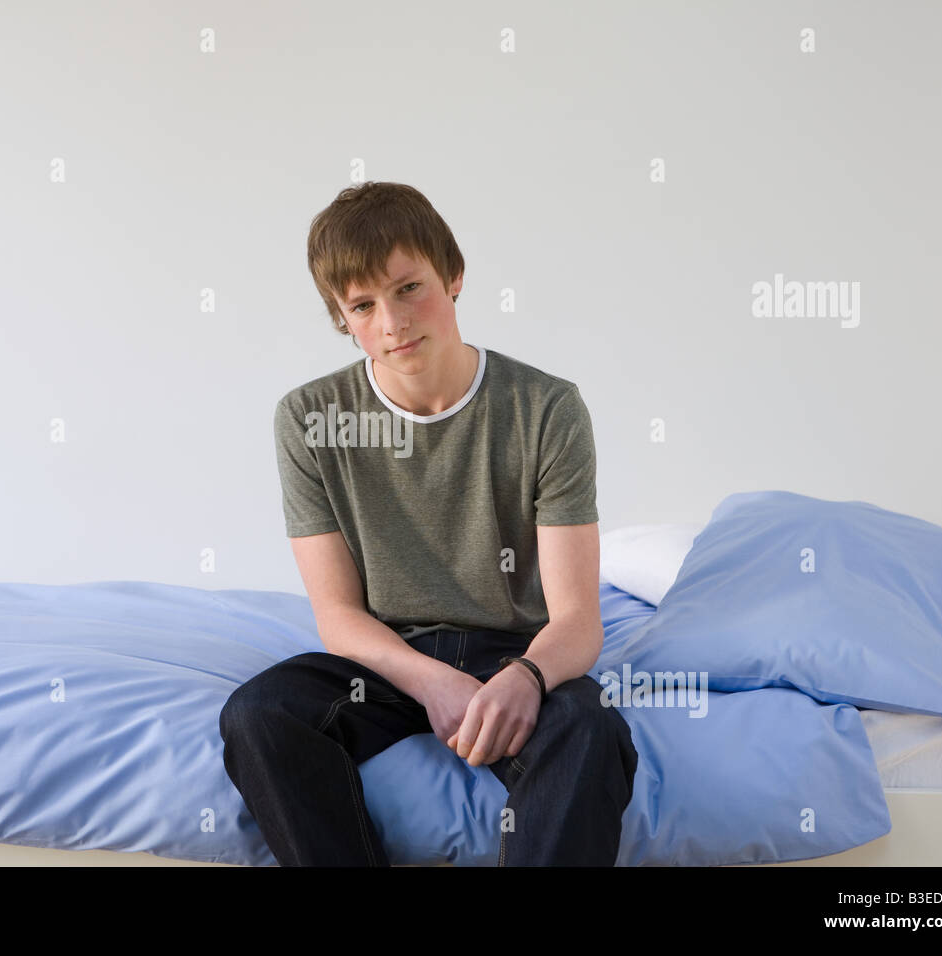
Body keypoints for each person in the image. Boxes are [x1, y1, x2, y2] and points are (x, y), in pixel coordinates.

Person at [219, 181, 638, 866]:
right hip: (385, 660)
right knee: (260, 714)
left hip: (513, 653)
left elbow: (577, 622)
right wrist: (428, 680)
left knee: (589, 732)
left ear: (453, 275)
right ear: (342, 318)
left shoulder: (546, 409)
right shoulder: (308, 419)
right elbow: (337, 615)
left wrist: (528, 679)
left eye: (408, 288)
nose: (391, 322)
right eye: (363, 305)